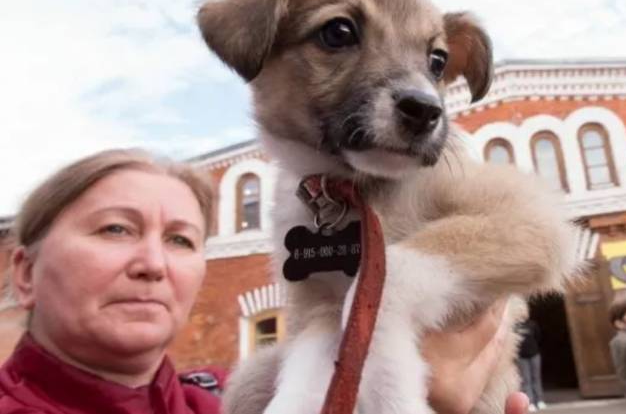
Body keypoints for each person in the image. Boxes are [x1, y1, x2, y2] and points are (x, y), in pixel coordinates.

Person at [0, 148, 530, 414]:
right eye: (116, 229)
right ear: (24, 272)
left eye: (182, 240)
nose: (153, 264)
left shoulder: (228, 400)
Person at [515, 318, 546, 411]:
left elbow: (539, 337)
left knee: (536, 378)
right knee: (526, 380)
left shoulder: (532, 324)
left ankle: (539, 400)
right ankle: (530, 402)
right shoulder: (515, 327)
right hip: (522, 357)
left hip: (534, 354)